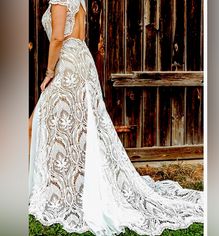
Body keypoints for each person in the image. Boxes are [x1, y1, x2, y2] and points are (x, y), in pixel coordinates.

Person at [28, 0, 204, 235]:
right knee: (76, 126)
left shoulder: (60, 1)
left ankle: (51, 189)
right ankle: (63, 185)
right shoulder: (78, 1)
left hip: (68, 66)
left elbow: (58, 38)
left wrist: (49, 73)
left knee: (40, 122)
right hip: (82, 61)